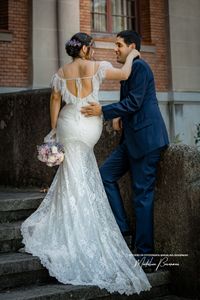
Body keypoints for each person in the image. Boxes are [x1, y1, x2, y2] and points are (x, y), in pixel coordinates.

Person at [21, 32, 151, 295]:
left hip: (69, 124)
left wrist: (54, 129)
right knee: (81, 172)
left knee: (71, 173)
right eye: (91, 46)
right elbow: (125, 74)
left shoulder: (61, 72)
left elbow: (55, 100)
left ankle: (70, 218)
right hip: (88, 126)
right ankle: (80, 223)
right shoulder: (98, 67)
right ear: (85, 49)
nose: (93, 50)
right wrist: (133, 55)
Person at [81, 30, 169, 256]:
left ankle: (145, 254)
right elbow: (132, 103)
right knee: (105, 175)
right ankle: (122, 228)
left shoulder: (140, 67)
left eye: (119, 45)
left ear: (132, 46)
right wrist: (120, 116)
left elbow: (135, 101)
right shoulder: (130, 69)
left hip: (147, 141)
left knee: (142, 197)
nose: (115, 49)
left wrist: (104, 111)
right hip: (131, 140)